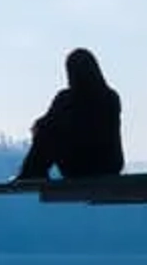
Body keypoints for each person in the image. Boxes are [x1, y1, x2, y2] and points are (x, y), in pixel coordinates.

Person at [16, 47, 124, 180]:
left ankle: (31, 172)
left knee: (47, 130)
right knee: (48, 128)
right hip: (110, 165)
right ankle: (31, 171)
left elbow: (50, 126)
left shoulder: (67, 100)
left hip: (81, 167)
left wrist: (40, 126)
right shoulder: (111, 97)